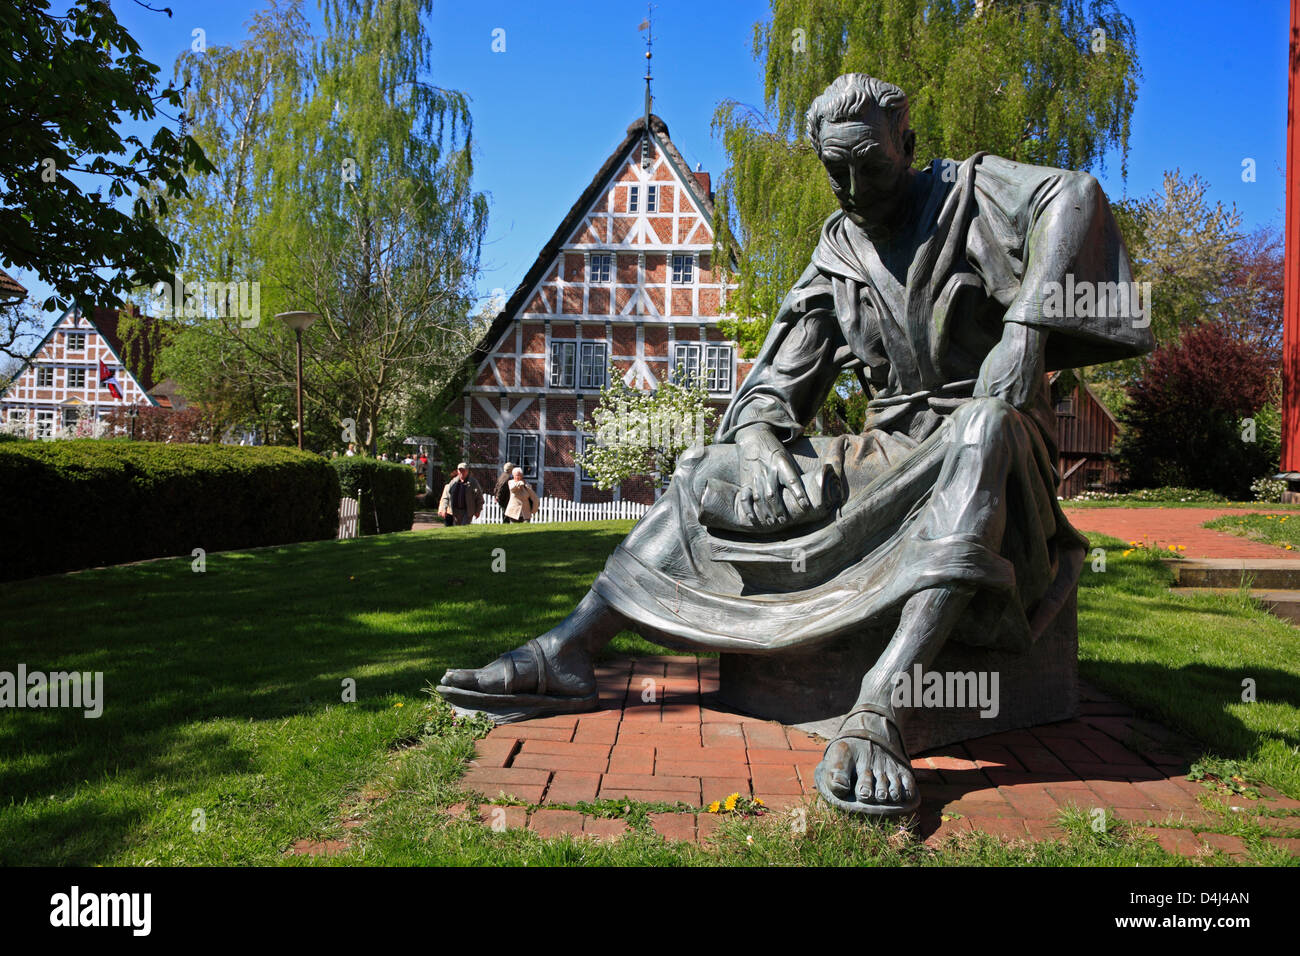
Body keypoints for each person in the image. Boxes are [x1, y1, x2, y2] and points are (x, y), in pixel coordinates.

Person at [438, 74, 1152, 816]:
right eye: (834, 169)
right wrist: (756, 442)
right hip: (889, 454)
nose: (851, 186)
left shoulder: (969, 194)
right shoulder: (839, 250)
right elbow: (775, 385)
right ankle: (572, 650)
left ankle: (881, 706)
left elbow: (1077, 196)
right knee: (700, 468)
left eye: (869, 164)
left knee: (982, 427)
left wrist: (1027, 333)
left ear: (907, 145)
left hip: (996, 443)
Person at [438, 462, 483, 527]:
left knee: (464, 528)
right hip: (455, 511)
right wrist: (443, 508)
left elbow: (479, 498)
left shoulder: (473, 483)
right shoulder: (453, 482)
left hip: (467, 511)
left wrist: (478, 510)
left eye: (463, 470)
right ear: (457, 471)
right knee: (456, 530)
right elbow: (446, 497)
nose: (462, 472)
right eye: (460, 470)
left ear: (467, 471)